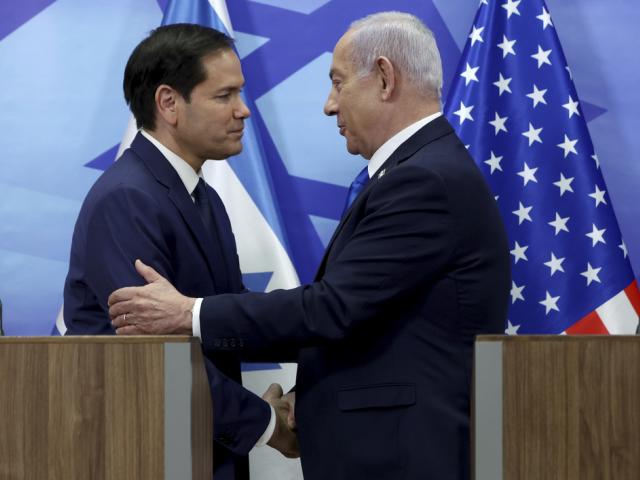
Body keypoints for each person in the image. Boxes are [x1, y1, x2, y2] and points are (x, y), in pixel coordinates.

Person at [109, 12, 511, 480]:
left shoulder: (422, 180)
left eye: (338, 83)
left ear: (384, 78)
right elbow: (368, 319)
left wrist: (188, 314)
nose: (329, 104)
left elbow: (333, 309)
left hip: (402, 456)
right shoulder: (423, 170)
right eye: (225, 95)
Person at [63, 24, 297, 480]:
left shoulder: (200, 195)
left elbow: (225, 318)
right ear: (169, 103)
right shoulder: (127, 199)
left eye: (240, 94)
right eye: (224, 95)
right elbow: (156, 362)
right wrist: (268, 424)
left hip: (193, 451)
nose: (243, 111)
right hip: (148, 451)